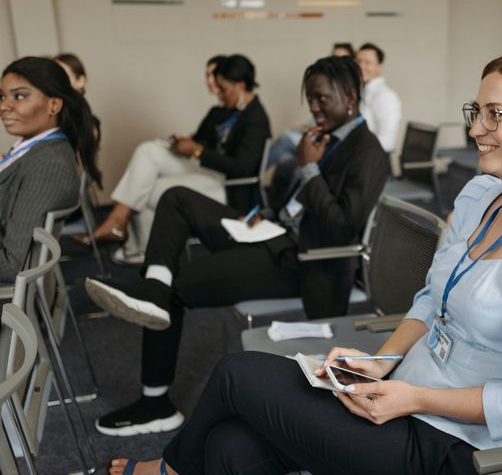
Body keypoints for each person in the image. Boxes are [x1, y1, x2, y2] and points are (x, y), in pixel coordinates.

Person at [105, 45, 502, 475]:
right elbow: (431, 300)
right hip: (402, 395)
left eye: (496, 114)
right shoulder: (481, 198)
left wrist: (414, 398)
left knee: (235, 373)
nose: (476, 129)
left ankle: (166, 471)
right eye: (476, 112)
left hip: (455, 445)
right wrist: (382, 360)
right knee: (228, 448)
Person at [85, 56, 390, 437]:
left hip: (305, 261)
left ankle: (155, 404)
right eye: (310, 99)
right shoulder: (322, 137)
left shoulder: (368, 152)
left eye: (321, 99)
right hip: (274, 233)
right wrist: (270, 209)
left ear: (350, 96)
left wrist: (309, 168)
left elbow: (342, 226)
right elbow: (296, 202)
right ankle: (154, 286)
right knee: (177, 197)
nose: (314, 107)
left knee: (177, 290)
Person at [83, 54, 270, 257]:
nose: (219, 94)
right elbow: (201, 140)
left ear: (240, 85)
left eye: (223, 89)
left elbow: (242, 167)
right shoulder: (221, 111)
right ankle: (119, 223)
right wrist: (184, 144)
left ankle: (138, 249)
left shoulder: (255, 118)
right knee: (148, 150)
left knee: (149, 188)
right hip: (207, 169)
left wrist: (197, 151)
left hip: (229, 185)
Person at [0, 57, 101, 282]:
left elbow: (12, 264)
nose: (3, 106)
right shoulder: (34, 148)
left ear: (53, 105)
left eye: (19, 96)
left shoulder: (49, 165)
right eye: (2, 96)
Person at [356, 42, 402, 153]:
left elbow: (387, 142)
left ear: (379, 67)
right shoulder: (363, 93)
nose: (361, 66)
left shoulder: (385, 97)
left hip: (374, 160)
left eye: (367, 62)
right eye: (358, 62)